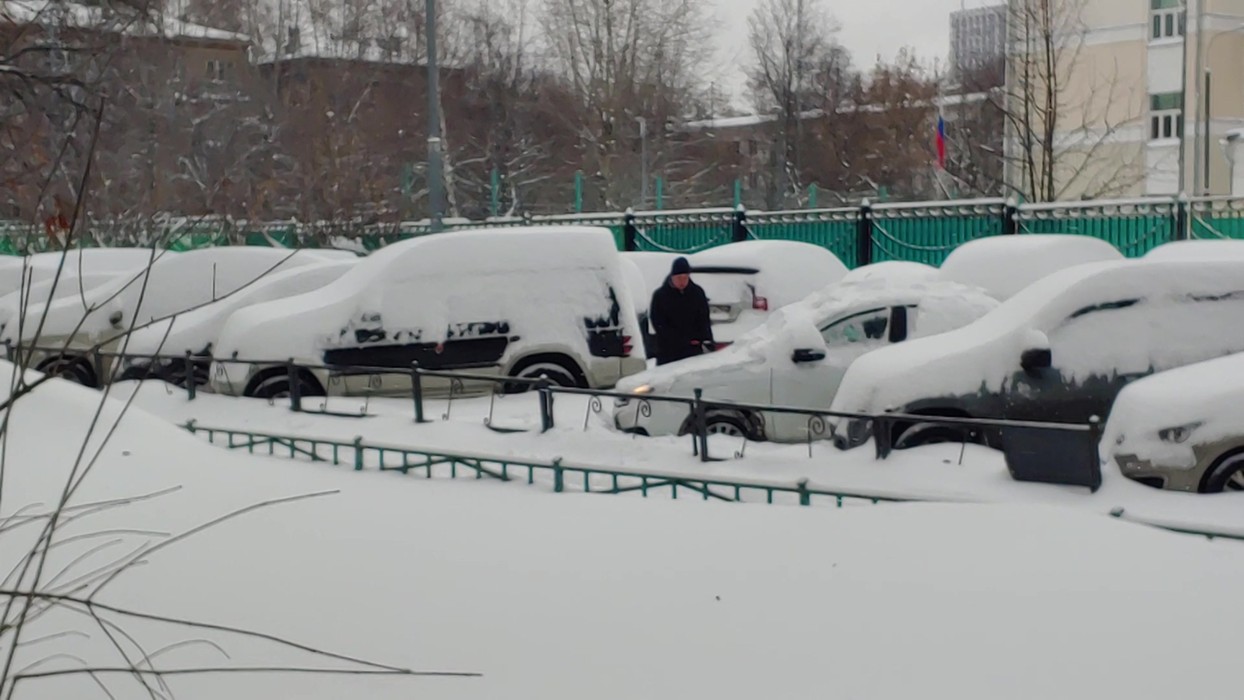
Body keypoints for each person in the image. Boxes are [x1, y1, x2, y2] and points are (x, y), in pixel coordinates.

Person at [649, 256, 714, 365]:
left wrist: (704, 338)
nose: (682, 282)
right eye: (679, 278)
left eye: (685, 278)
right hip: (668, 351)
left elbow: (704, 319)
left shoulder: (697, 293)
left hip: (693, 349)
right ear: (672, 277)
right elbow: (658, 322)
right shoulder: (660, 296)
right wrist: (678, 340)